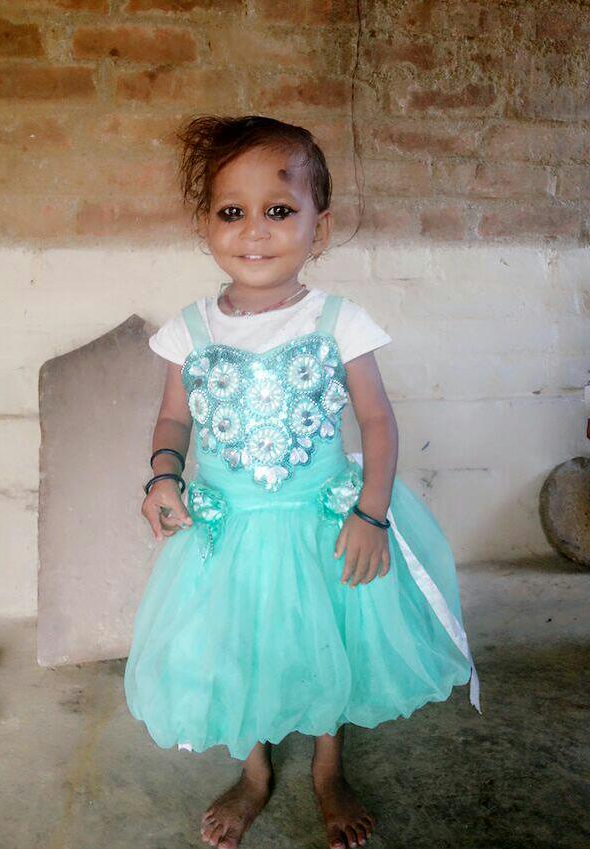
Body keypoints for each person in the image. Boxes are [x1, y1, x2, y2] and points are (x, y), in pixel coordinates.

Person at [124, 115, 480, 849]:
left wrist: (371, 515)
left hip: (325, 521)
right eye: (233, 211)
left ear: (321, 226)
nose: (255, 230)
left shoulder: (338, 321)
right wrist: (163, 477)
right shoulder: (190, 330)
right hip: (226, 530)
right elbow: (174, 420)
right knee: (240, 645)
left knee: (327, 639)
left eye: (280, 209)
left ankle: (326, 765)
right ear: (206, 225)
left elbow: (377, 422)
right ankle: (254, 771)